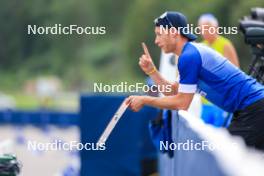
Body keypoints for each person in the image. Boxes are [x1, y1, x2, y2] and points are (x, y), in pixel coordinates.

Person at [126, 11, 264, 150]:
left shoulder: (189, 56)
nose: (156, 41)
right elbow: (173, 92)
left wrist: (145, 100)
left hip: (254, 108)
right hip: (250, 108)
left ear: (173, 32)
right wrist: (152, 71)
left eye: (159, 34)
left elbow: (181, 103)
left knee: (222, 161)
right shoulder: (189, 53)